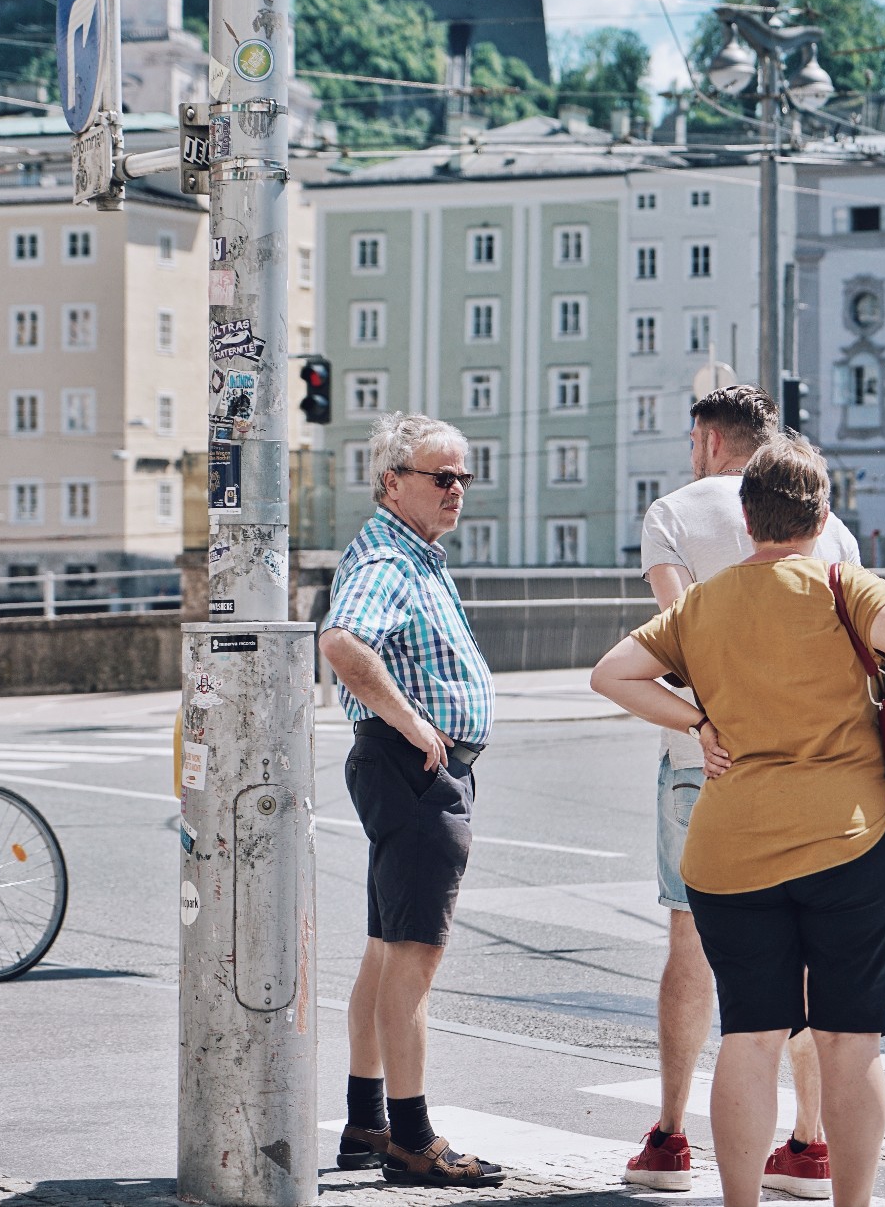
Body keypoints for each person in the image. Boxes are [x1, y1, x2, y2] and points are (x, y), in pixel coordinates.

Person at [590, 436, 885, 1207]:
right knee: (850, 1041)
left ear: (747, 519)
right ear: (820, 516)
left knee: (749, 1037)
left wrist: (697, 725)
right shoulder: (838, 583)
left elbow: (610, 674)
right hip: (850, 844)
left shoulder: (701, 604)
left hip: (730, 855)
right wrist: (855, 591)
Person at [625, 387, 860, 1199]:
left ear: (705, 441)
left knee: (690, 944)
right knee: (808, 949)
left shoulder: (673, 514)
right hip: (817, 764)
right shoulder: (829, 526)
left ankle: (670, 1137)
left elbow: (687, 632)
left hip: (706, 753)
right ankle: (809, 1143)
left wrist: (703, 723)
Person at [318, 412, 506, 1189]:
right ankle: (413, 1137)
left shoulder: (409, 551)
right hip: (415, 772)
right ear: (393, 482)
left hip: (405, 768)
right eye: (441, 476)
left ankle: (367, 1121)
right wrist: (409, 721)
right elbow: (342, 642)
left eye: (464, 474)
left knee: (386, 951)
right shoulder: (391, 558)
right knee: (413, 964)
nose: (457, 488)